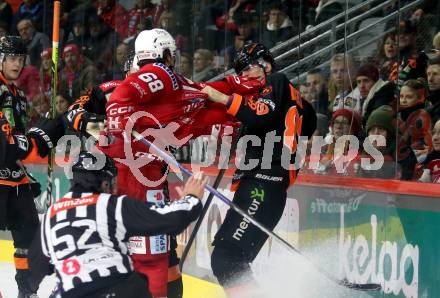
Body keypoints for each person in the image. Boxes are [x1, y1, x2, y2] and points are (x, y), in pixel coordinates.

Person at [102, 28, 263, 298]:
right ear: (164, 53)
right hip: (131, 178)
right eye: (171, 54)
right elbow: (121, 96)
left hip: (144, 178)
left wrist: (235, 121)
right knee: (149, 258)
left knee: (161, 259)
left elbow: (209, 106)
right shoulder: (161, 73)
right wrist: (117, 116)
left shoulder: (182, 90)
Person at [200, 42, 317, 296]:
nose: (242, 76)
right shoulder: (289, 93)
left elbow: (261, 115)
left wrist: (222, 98)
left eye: (247, 69)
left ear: (266, 65)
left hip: (264, 183)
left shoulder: (276, 80)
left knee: (227, 257)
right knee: (230, 257)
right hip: (265, 184)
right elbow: (310, 123)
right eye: (239, 71)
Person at [27, 151, 207, 298]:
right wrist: (191, 198)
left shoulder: (52, 214)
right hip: (122, 289)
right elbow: (172, 220)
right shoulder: (111, 204)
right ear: (105, 182)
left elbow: (35, 269)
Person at [0, 35, 64, 298]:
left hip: (14, 178)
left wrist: (45, 128)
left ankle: (27, 291)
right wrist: (37, 137)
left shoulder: (19, 95)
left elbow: (18, 139)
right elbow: (8, 142)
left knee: (28, 242)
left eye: (20, 58)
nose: (16, 63)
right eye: (11, 57)